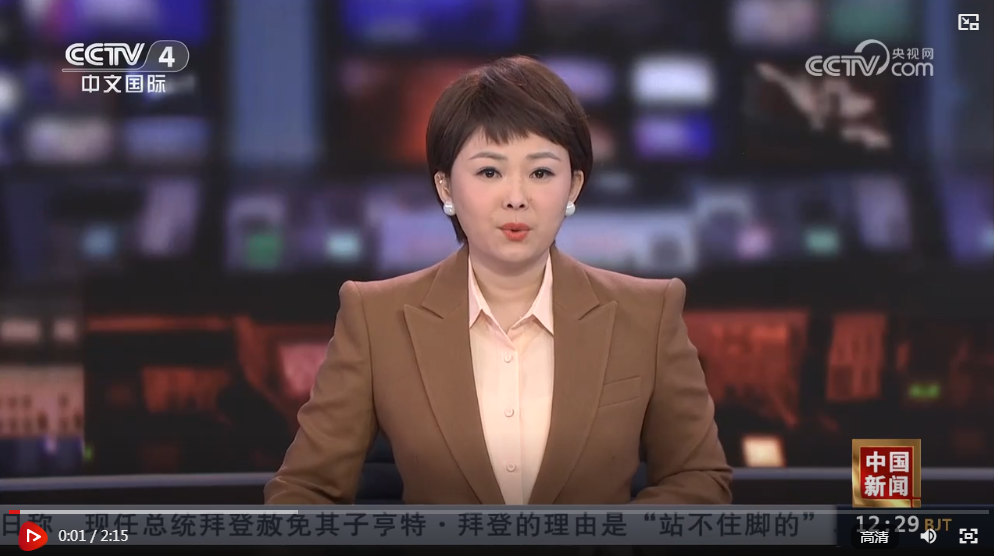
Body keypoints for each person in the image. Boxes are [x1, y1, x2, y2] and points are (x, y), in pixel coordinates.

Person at [265, 56, 732, 505]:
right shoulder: (376, 318)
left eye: (541, 172)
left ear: (573, 186)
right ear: (445, 186)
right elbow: (305, 491)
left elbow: (699, 480)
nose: (516, 197)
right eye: (490, 171)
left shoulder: (648, 314)